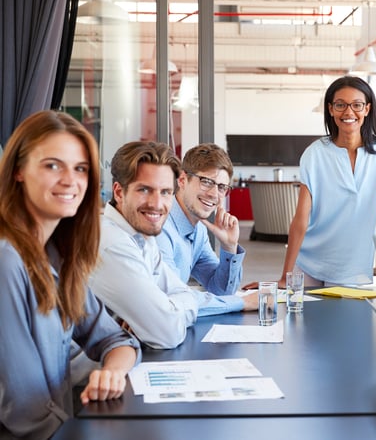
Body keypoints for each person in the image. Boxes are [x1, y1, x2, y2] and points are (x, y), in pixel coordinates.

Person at [0, 110, 141, 439]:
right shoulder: (7, 262)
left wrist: (112, 373)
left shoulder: (58, 259)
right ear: (18, 171)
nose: (70, 181)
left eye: (80, 169)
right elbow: (27, 413)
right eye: (52, 165)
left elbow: (116, 340)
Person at [245, 75, 376, 289]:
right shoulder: (315, 154)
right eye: (340, 105)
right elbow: (300, 220)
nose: (348, 112)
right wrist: (286, 276)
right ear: (330, 109)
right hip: (308, 264)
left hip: (352, 269)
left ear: (367, 109)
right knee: (302, 322)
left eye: (357, 105)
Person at [88, 141, 257, 350]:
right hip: (91, 372)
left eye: (166, 191)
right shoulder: (119, 241)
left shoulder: (146, 234)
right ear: (119, 192)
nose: (157, 204)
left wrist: (229, 247)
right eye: (144, 189)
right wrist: (241, 302)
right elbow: (167, 331)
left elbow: (216, 292)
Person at [156, 143, 244, 295]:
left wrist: (229, 246)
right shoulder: (159, 226)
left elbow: (221, 290)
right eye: (206, 182)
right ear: (182, 180)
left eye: (222, 187)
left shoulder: (199, 231)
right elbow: (173, 297)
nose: (214, 194)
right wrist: (242, 303)